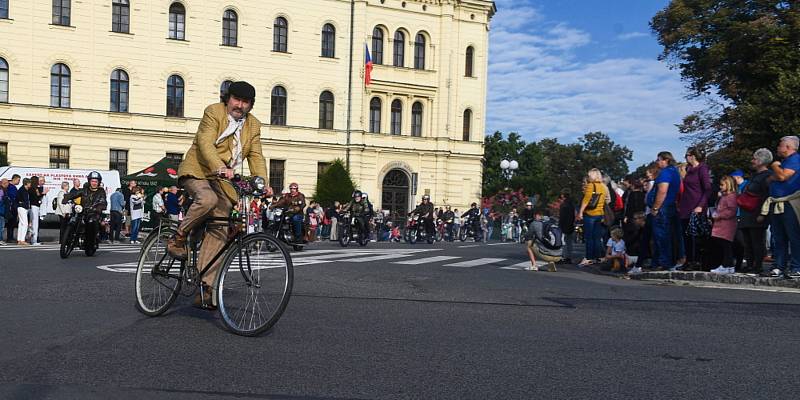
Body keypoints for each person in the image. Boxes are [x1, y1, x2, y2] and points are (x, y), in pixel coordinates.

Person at [166, 81, 271, 309]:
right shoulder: (213, 112)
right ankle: (178, 238)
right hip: (199, 170)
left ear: (250, 105)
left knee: (221, 226)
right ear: (228, 99)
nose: (240, 105)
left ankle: (205, 287)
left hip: (223, 181)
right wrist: (219, 166)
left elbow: (256, 156)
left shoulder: (253, 126)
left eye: (245, 102)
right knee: (208, 199)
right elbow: (205, 143)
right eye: (236, 100)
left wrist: (263, 183)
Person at [760, 136, 800, 279]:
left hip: (790, 202)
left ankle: (796, 267)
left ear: (788, 147)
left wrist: (775, 166)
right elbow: (770, 179)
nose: (778, 148)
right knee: (779, 237)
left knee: (793, 235)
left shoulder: (795, 159)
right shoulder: (785, 162)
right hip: (777, 202)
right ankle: (779, 265)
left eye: (780, 145)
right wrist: (775, 175)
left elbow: (783, 176)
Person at [733, 149, 773, 275]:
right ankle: (749, 264)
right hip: (747, 213)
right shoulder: (754, 175)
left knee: (757, 241)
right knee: (747, 241)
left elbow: (767, 196)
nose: (752, 161)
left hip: (756, 213)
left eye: (755, 159)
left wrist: (763, 213)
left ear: (761, 161)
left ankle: (757, 265)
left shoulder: (767, 176)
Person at [678, 147, 712, 269]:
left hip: (697, 205)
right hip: (686, 205)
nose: (685, 158)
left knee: (696, 236)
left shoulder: (702, 168)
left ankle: (697, 261)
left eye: (687, 155)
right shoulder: (688, 169)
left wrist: (700, 206)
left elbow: (707, 189)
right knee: (686, 235)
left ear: (693, 156)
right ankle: (688, 260)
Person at [649, 152, 682, 271]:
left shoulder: (666, 173)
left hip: (663, 208)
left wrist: (655, 208)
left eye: (659, 160)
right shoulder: (675, 172)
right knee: (668, 235)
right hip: (670, 206)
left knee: (661, 236)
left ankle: (664, 262)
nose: (657, 162)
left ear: (665, 160)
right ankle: (663, 261)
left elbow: (662, 191)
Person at [62, 171, 108, 246]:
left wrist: (99, 207)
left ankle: (90, 242)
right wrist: (66, 198)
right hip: (83, 211)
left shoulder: (101, 191)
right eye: (92, 181)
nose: (94, 183)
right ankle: (68, 238)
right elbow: (75, 194)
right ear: (89, 181)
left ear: (99, 182)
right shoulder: (85, 189)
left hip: (93, 213)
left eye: (96, 181)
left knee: (91, 222)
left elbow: (103, 201)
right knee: (73, 219)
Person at [578, 168, 608, 266]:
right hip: (599, 213)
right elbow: (604, 201)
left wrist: (580, 212)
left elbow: (586, 200)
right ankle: (597, 256)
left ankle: (588, 257)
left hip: (590, 214)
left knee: (589, 237)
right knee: (596, 237)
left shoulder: (591, 185)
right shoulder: (603, 187)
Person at [709, 176, 739, 274]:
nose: (720, 187)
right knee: (723, 245)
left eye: (722, 185)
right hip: (721, 224)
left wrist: (718, 215)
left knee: (726, 246)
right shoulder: (724, 196)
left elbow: (731, 211)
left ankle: (727, 265)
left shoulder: (731, 196)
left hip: (727, 225)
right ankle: (728, 265)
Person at [558, 189, 576, 264]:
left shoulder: (563, 205)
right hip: (571, 225)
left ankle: (563, 257)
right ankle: (569, 257)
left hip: (564, 225)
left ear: (563, 195)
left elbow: (562, 217)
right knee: (569, 242)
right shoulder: (572, 204)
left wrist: (559, 225)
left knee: (563, 241)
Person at [28, 176, 47, 245]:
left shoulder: (33, 188)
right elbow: (36, 198)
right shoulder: (33, 189)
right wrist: (43, 193)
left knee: (34, 223)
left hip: (35, 206)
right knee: (35, 224)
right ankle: (34, 240)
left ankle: (33, 239)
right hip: (34, 206)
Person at [15, 178, 32, 245]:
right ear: (26, 183)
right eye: (29, 183)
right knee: (25, 224)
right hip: (22, 208)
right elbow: (18, 199)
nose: (30, 184)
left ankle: (19, 239)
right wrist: (22, 204)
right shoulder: (23, 190)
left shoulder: (23, 190)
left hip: (22, 207)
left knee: (21, 224)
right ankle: (22, 240)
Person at [5, 174, 20, 242]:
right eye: (18, 180)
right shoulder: (10, 187)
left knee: (12, 223)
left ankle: (11, 237)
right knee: (10, 223)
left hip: (14, 206)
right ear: (14, 179)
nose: (19, 182)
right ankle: (9, 238)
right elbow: (12, 197)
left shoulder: (13, 187)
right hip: (12, 207)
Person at [0, 178, 7, 245]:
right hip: (1, 211)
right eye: (7, 183)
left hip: (2, 210)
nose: (8, 184)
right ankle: (0, 239)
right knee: (1, 226)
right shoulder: (2, 191)